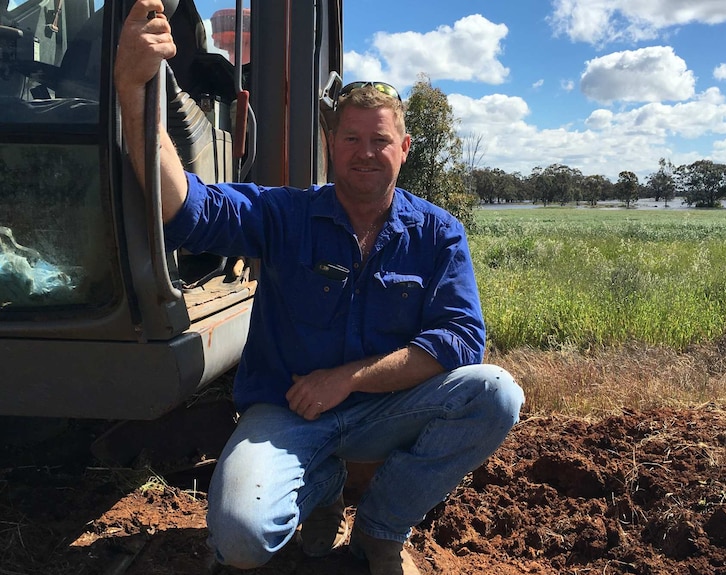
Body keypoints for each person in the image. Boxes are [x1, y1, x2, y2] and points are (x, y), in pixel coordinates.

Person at [114, 2, 524, 574]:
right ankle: (324, 482)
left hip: (385, 410)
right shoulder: (286, 214)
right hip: (289, 412)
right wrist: (136, 92)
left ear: (404, 150)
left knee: (496, 394)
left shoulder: (437, 234)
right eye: (351, 138)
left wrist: (347, 379)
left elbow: (460, 340)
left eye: (379, 140)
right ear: (332, 144)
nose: (364, 152)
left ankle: (380, 530)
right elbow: (184, 207)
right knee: (240, 538)